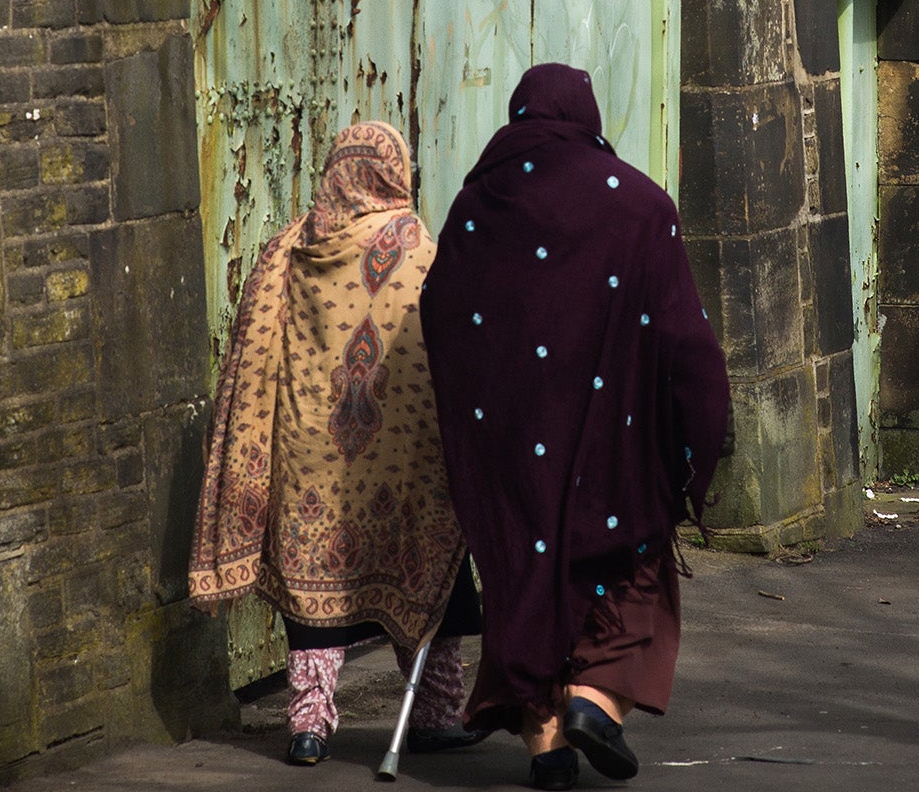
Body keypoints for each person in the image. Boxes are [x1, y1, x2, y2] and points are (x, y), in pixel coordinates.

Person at [421, 64, 732, 790]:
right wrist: (699, 444)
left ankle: (547, 751)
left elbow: (439, 314)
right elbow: (689, 346)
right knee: (629, 574)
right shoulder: (639, 208)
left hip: (510, 452)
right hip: (612, 447)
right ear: (587, 117)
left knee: (525, 580)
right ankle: (594, 702)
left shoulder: (474, 207)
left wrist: (479, 423)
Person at [188, 122, 485, 767]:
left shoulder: (289, 252)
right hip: (406, 463)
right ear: (393, 175)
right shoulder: (418, 249)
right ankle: (434, 712)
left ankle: (308, 725)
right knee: (426, 575)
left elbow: (256, 355)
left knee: (313, 602)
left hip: (313, 463)